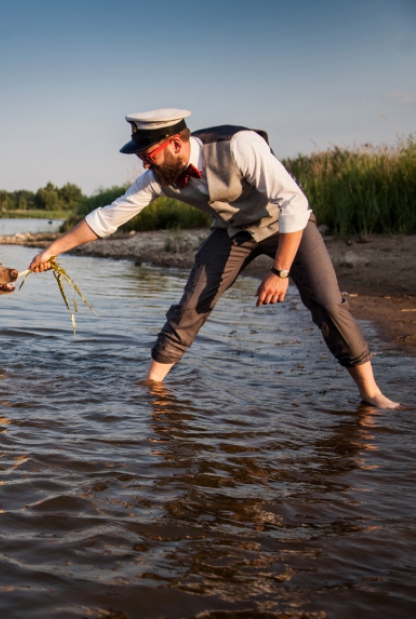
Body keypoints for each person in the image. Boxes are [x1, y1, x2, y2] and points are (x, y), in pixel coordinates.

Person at [29, 108, 399, 409]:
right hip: (232, 233)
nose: (145, 165)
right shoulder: (158, 177)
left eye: (149, 155)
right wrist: (52, 250)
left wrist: (280, 271)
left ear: (175, 143)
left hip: (286, 225)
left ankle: (371, 393)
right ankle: (152, 384)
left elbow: (293, 203)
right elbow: (107, 218)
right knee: (192, 304)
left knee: (326, 303)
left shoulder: (240, 146)